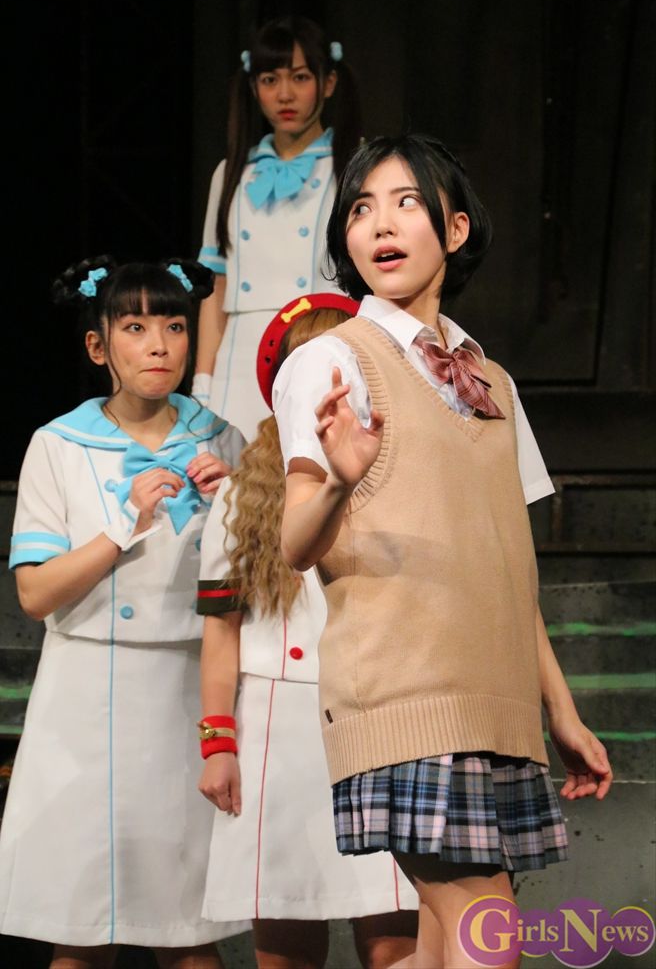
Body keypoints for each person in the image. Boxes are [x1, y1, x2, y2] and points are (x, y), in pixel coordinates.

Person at [273, 135, 613, 969]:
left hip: (495, 700)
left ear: (455, 229)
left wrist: (560, 709)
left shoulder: (491, 381)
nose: (380, 225)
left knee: (440, 948)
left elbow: (507, 563)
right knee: (487, 931)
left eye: (405, 203)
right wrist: (339, 480)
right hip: (403, 695)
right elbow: (293, 544)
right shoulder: (330, 360)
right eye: (361, 208)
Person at [0, 257, 247, 969]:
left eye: (174, 325)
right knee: (79, 934)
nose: (160, 345)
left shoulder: (223, 439)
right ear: (98, 345)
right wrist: (121, 528)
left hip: (188, 691)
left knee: (190, 934)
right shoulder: (57, 444)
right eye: (135, 327)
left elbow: (260, 579)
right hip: (83, 701)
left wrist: (236, 502)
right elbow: (34, 593)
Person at [196, 294, 419, 969]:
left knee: (394, 936)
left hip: (384, 714)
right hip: (279, 729)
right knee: (287, 938)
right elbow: (222, 631)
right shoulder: (243, 492)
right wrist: (217, 742)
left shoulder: (407, 472)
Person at [193, 15, 362, 439]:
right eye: (270, 80)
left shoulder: (356, 166)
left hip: (320, 342)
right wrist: (203, 381)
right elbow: (215, 287)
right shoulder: (231, 173)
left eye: (300, 77)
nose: (284, 94)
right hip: (238, 361)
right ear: (254, 88)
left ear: (328, 82)